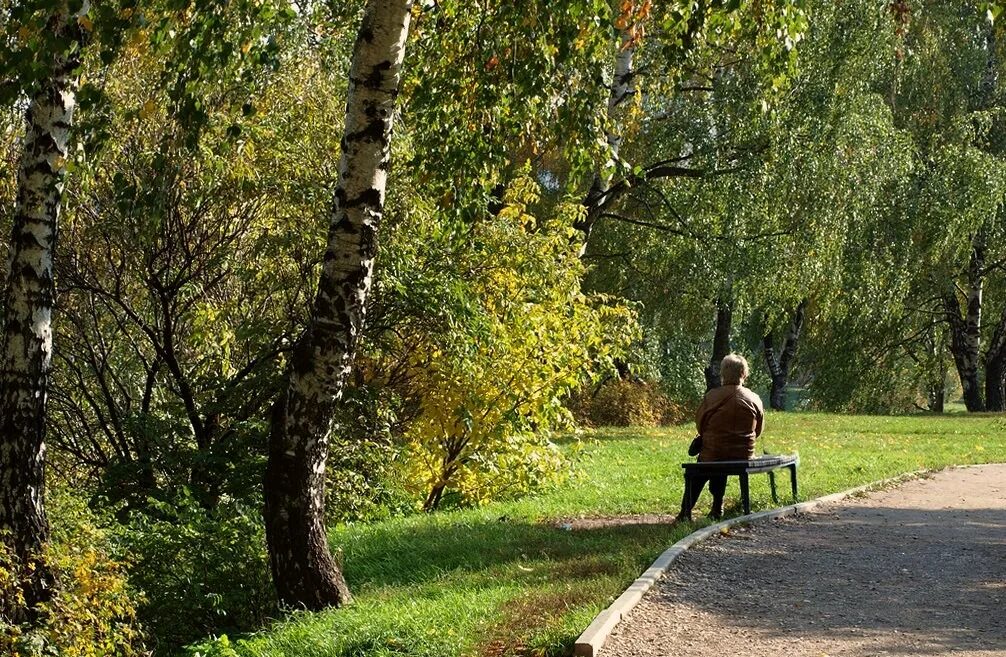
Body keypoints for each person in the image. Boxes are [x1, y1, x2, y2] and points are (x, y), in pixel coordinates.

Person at [676, 353, 764, 522]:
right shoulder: (754, 398)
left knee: (704, 465)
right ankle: (717, 507)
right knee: (721, 454)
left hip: (714, 453)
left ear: (723, 374)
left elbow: (700, 426)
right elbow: (758, 430)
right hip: (743, 454)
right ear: (744, 374)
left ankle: (686, 512)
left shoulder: (712, 396)